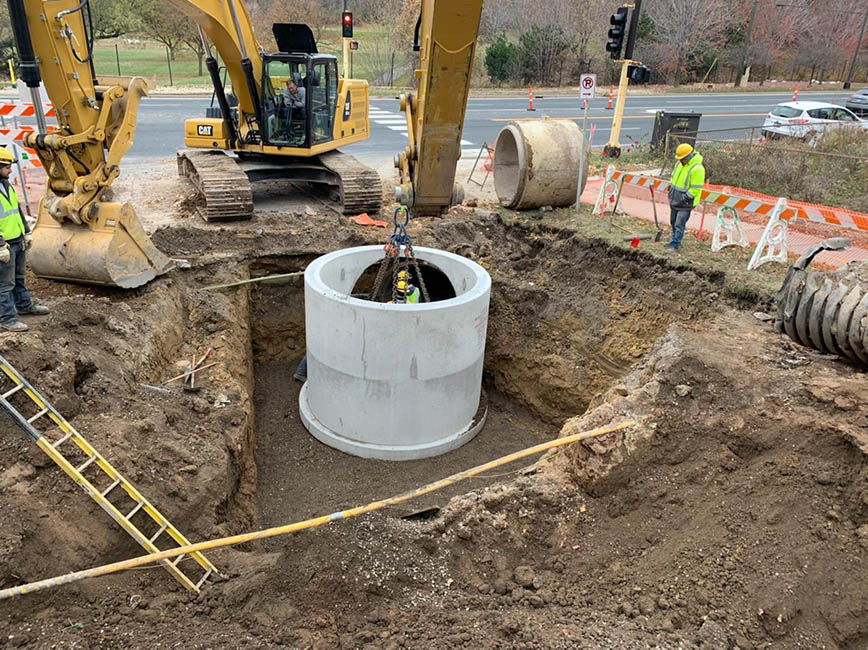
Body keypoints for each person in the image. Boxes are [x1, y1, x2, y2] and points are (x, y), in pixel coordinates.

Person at [0, 147, 48, 332]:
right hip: (4, 244)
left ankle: (24, 305)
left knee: (19, 278)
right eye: (6, 166)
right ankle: (7, 318)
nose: (10, 170)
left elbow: (16, 210)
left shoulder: (6, 184)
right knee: (5, 284)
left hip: (16, 240)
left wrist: (26, 232)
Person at [665, 143, 706, 252]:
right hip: (675, 199)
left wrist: (685, 198)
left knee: (679, 223)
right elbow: (674, 178)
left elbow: (695, 189)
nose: (680, 160)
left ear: (688, 156)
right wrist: (670, 188)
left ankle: (675, 244)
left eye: (682, 159)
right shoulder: (679, 165)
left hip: (685, 202)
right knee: (673, 221)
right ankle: (673, 239)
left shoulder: (697, 169)